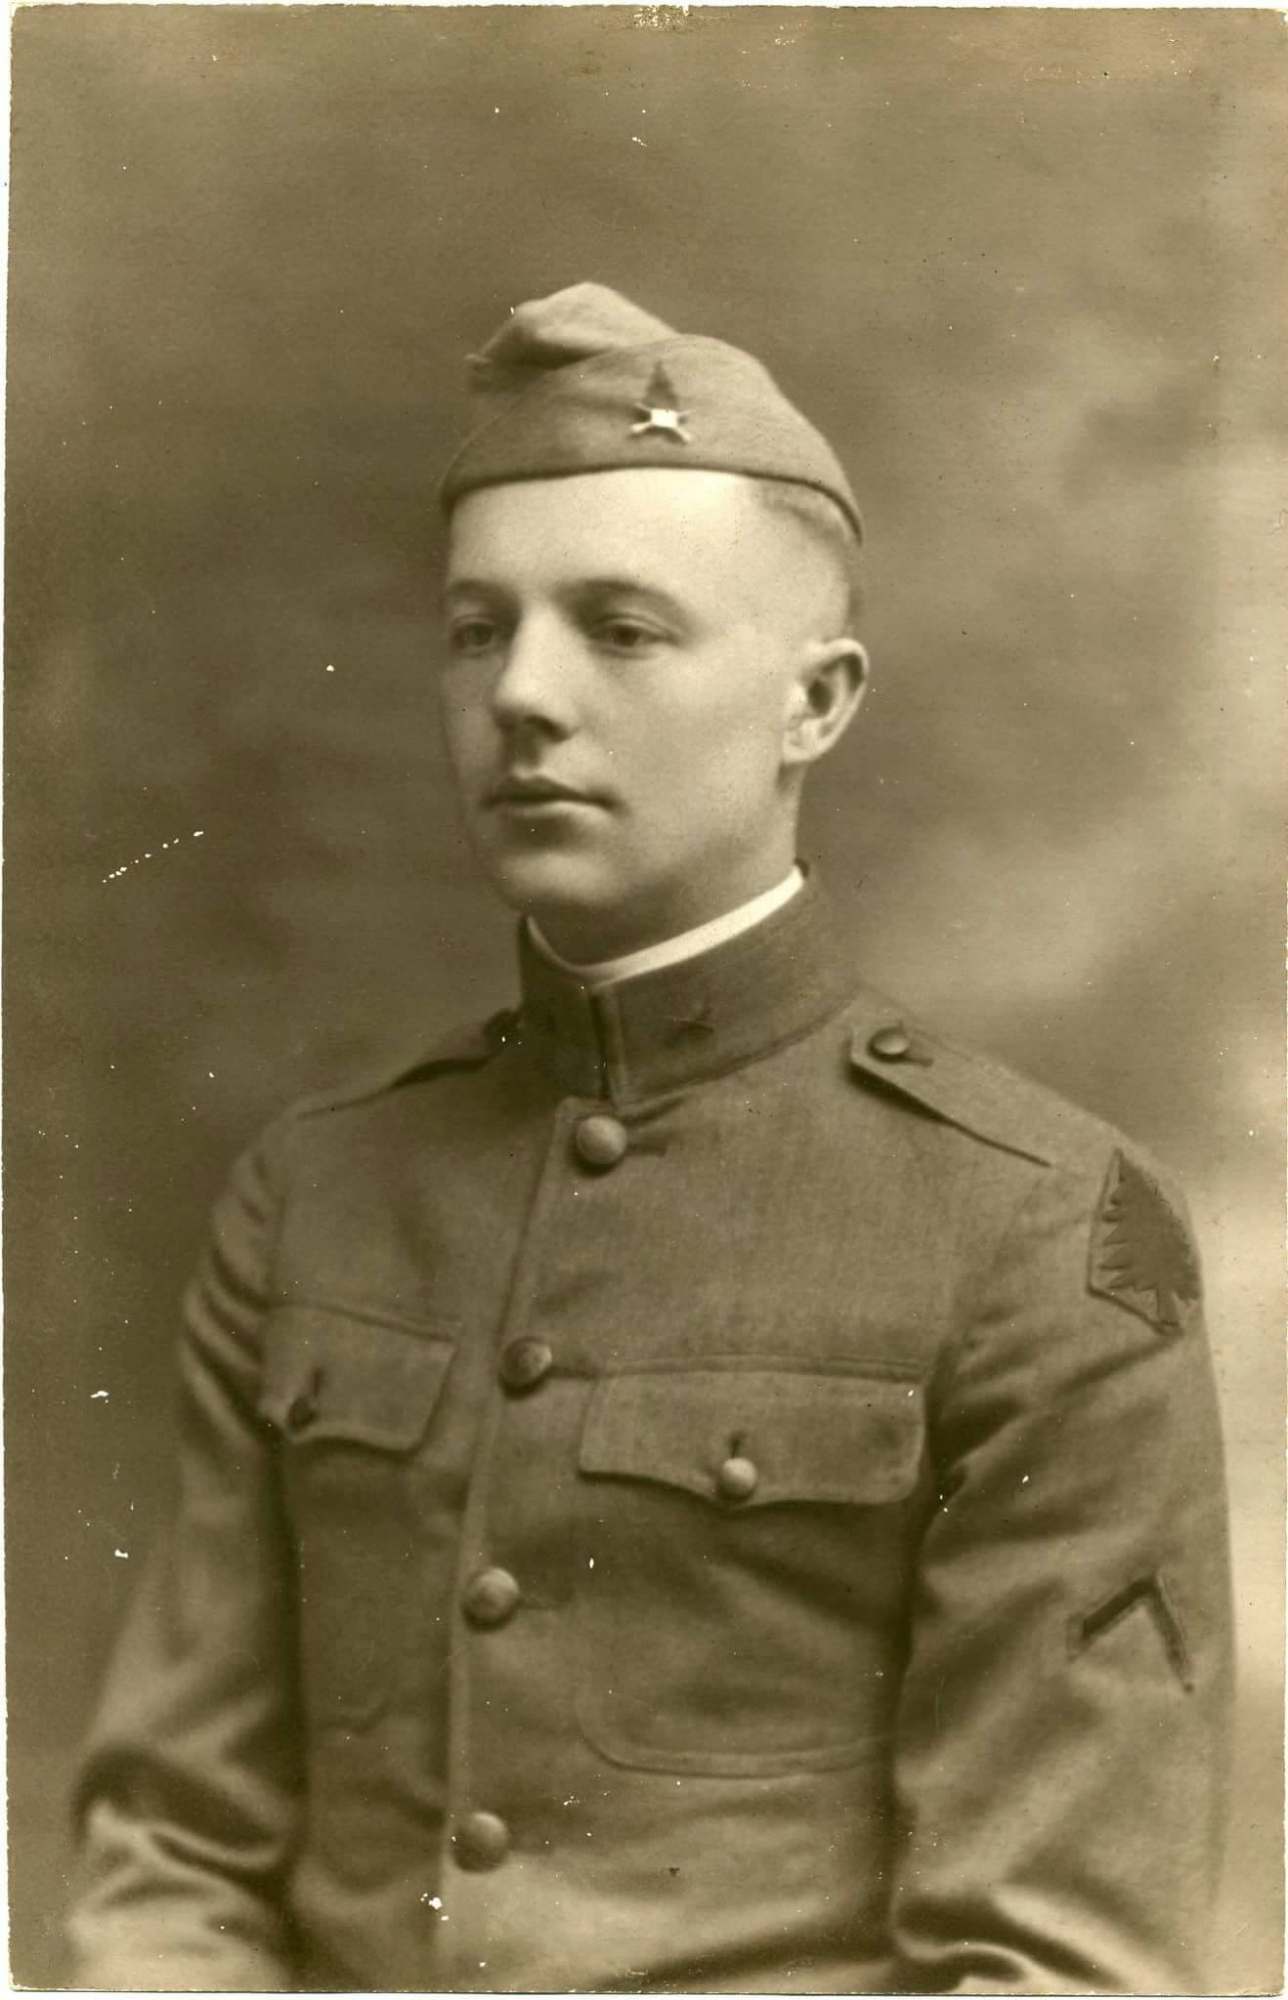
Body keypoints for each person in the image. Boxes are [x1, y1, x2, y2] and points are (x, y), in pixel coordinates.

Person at [68, 283, 1233, 1994]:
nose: (521, 695)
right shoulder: (315, 1195)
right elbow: (176, 1856)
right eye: (477, 630)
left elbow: (1062, 1962)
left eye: (620, 630)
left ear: (815, 703)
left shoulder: (1044, 1230)